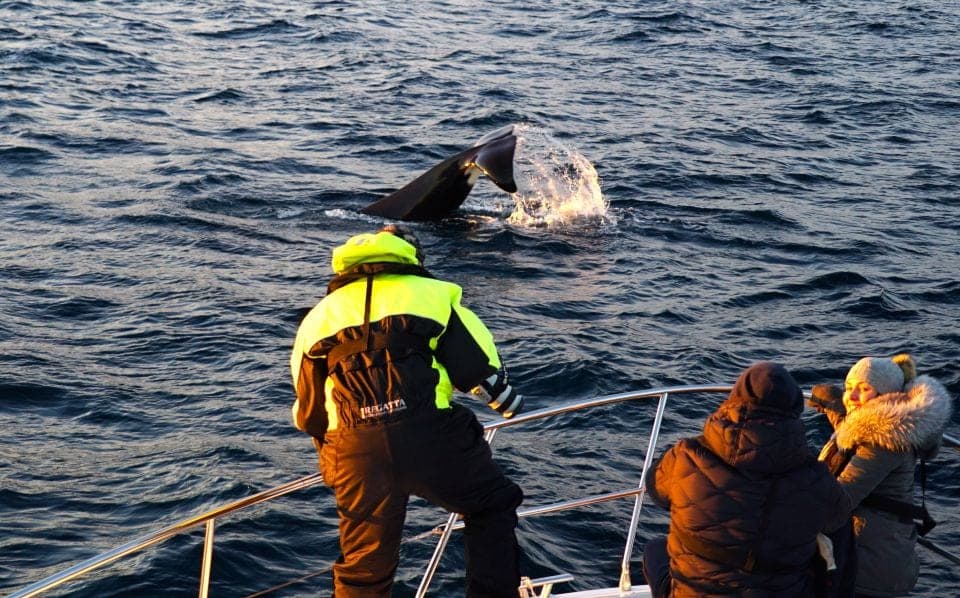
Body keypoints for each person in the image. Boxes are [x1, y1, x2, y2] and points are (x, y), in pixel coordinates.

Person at [289, 225, 525, 597]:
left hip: (356, 453)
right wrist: (509, 404)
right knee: (492, 506)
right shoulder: (433, 294)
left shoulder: (316, 319)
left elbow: (310, 416)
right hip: (432, 439)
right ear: (409, 257)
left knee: (364, 568)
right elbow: (482, 375)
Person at [642, 361, 852, 597]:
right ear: (793, 411)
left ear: (735, 398)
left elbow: (656, 490)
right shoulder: (818, 480)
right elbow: (839, 518)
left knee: (655, 549)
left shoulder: (686, 455)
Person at [808, 353, 953, 597]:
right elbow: (858, 431)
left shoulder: (886, 443)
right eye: (849, 388)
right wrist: (836, 410)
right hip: (871, 553)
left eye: (864, 389)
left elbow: (840, 500)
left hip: (870, 568)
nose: (852, 397)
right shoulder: (882, 428)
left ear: (886, 397)